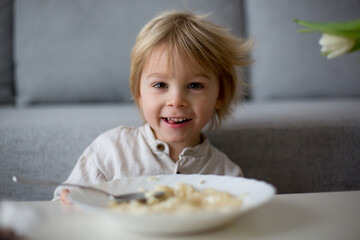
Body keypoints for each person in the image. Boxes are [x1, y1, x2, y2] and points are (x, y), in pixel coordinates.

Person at [54, 11, 252, 204]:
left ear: (220, 95)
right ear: (139, 94)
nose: (176, 101)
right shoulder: (110, 151)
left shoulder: (227, 175)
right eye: (160, 85)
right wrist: (72, 205)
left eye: (194, 85)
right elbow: (59, 206)